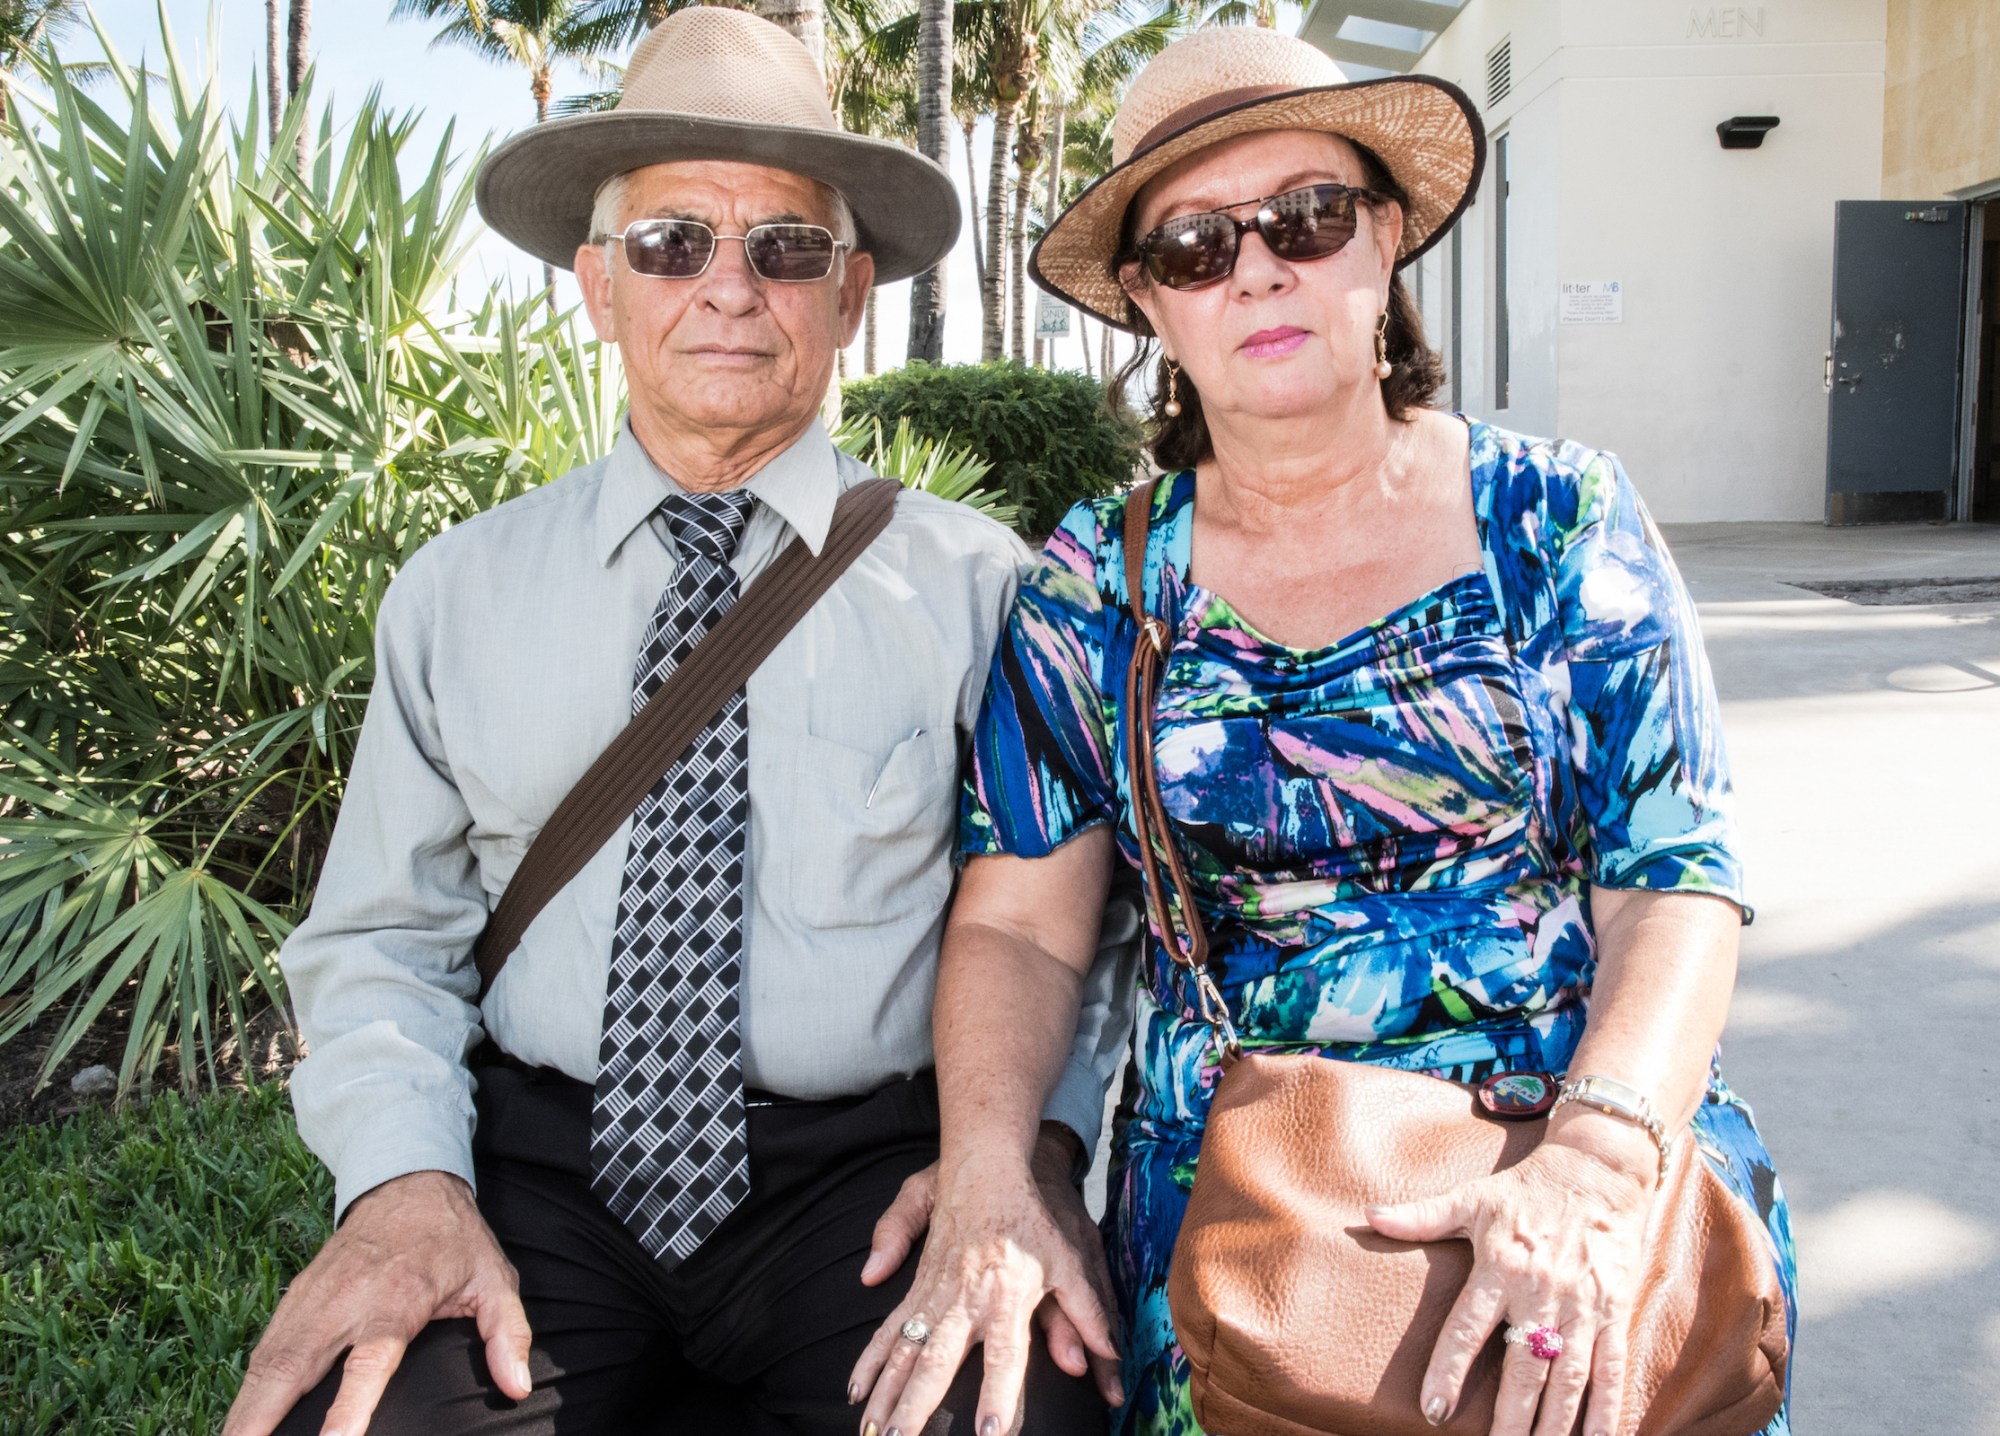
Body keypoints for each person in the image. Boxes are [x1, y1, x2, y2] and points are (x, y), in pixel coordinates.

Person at [847, 25, 1797, 1436]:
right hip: (1243, 1209)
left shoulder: (1560, 520)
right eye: (1193, 247)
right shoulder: (1092, 584)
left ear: (1387, 239)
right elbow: (1020, 928)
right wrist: (991, 1167)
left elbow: (1673, 876)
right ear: (1149, 307)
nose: (1259, 267)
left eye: (1308, 215)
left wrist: (1594, 1162)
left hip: (1588, 1150)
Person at [221, 11, 1128, 1436]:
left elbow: (1075, 934)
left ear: (848, 294)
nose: (727, 289)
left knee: (1012, 1418)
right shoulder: (457, 593)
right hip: (544, 1176)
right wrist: (406, 1187)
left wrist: (1025, 1162)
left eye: (783, 247)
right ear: (597, 285)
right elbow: (384, 939)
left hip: (872, 1179)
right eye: (669, 244)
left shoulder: (984, 591)